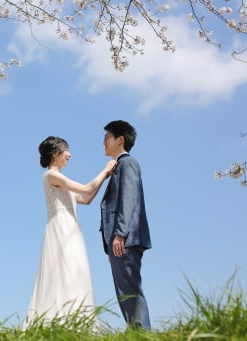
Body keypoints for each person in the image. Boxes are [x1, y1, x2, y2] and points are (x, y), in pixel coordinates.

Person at [23, 136, 116, 330]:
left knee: (74, 272)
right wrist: (105, 170)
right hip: (61, 229)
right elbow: (86, 188)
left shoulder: (61, 181)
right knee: (63, 272)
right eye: (66, 150)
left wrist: (104, 177)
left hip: (71, 228)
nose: (69, 154)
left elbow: (87, 197)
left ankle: (74, 322)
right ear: (54, 154)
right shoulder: (52, 176)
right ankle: (60, 322)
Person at [100, 120, 152, 329]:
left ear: (119, 140)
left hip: (126, 239)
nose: (103, 143)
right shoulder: (119, 166)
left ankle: (142, 334)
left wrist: (120, 235)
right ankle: (136, 333)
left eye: (106, 138)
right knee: (125, 294)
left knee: (130, 292)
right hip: (120, 241)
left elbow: (128, 199)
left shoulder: (128, 163)